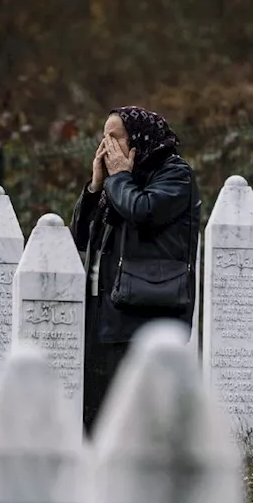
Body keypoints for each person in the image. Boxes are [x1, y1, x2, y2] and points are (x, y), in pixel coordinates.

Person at [70, 106, 201, 435]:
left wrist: (118, 179)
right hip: (109, 310)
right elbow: (80, 237)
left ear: (140, 140)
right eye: (102, 139)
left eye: (114, 139)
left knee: (141, 420)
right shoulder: (119, 182)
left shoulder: (175, 175)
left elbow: (142, 210)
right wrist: (96, 187)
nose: (106, 148)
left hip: (148, 311)